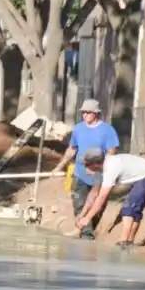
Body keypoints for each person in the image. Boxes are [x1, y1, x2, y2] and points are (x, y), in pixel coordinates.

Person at [58, 98, 120, 240]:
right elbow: (72, 149)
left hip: (98, 173)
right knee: (79, 203)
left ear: (96, 113)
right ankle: (86, 234)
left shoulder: (107, 131)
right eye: (83, 112)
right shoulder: (78, 128)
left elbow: (111, 152)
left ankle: (90, 227)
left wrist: (106, 170)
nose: (85, 115)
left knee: (97, 203)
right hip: (80, 173)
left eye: (88, 112)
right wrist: (59, 166)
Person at [74, 149, 145, 247]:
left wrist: (87, 218)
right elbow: (94, 194)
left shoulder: (110, 169)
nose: (85, 169)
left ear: (95, 164)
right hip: (142, 177)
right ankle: (129, 241)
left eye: (87, 165)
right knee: (135, 208)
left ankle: (123, 241)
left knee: (128, 208)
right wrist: (83, 214)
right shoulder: (104, 165)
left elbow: (102, 197)